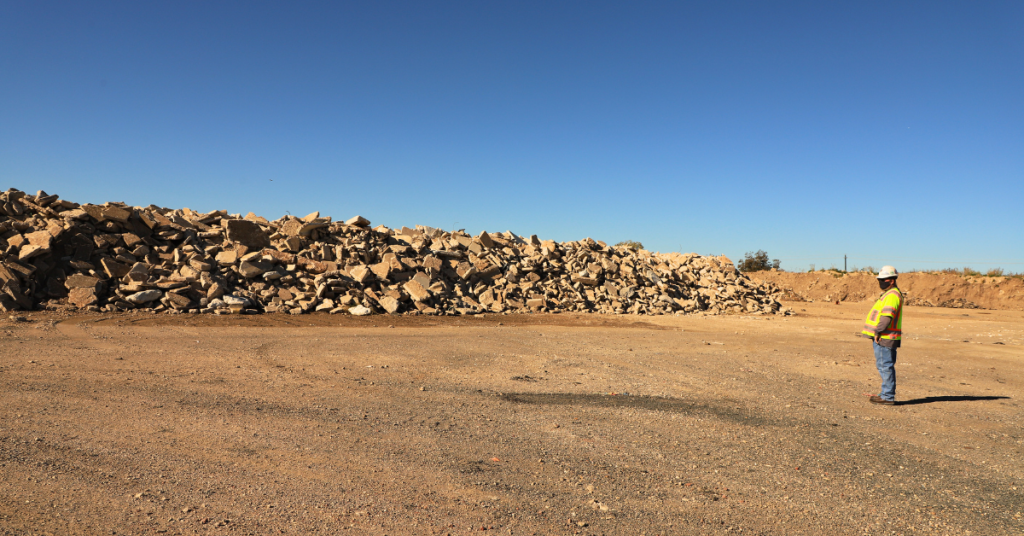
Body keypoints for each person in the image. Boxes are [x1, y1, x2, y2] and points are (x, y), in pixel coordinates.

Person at [861, 266, 904, 405]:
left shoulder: (892, 295)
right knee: (885, 365)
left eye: (883, 279)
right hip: (886, 336)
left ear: (891, 280)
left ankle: (887, 396)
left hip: (885, 337)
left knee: (885, 366)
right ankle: (886, 393)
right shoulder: (890, 294)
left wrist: (878, 332)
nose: (881, 282)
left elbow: (886, 317)